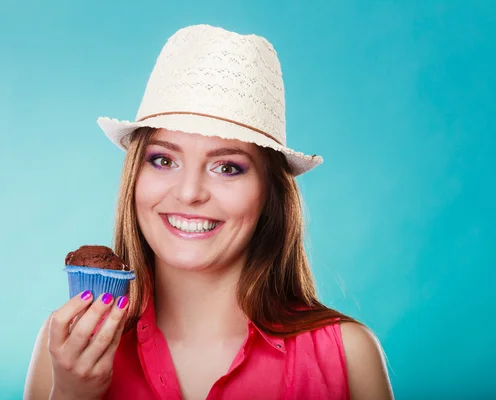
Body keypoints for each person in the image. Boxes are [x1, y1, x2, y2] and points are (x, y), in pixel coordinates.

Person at [24, 24, 393, 400]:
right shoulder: (65, 348)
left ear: (270, 192)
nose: (189, 193)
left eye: (227, 167)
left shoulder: (349, 357)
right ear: (135, 175)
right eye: (164, 160)